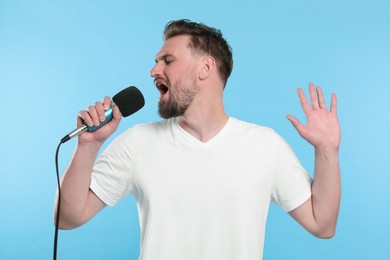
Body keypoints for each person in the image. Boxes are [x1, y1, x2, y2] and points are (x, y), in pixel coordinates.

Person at [54, 19, 341, 259]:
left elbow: (322, 224)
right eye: (156, 62)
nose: (154, 71)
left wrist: (327, 149)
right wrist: (88, 146)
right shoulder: (136, 143)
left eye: (167, 60)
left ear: (205, 68)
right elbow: (66, 218)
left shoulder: (266, 146)